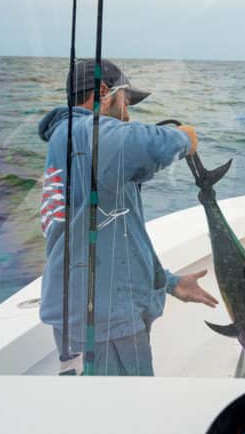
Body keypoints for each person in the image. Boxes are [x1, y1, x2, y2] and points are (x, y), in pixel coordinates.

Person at [37, 58, 218, 375]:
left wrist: (169, 282)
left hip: (99, 311)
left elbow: (115, 235)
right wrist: (184, 138)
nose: (128, 112)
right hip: (107, 323)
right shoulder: (83, 133)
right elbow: (148, 144)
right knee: (127, 414)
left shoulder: (78, 147)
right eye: (126, 100)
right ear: (103, 92)